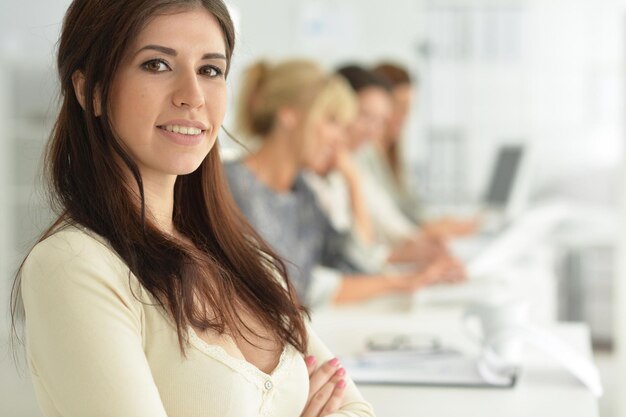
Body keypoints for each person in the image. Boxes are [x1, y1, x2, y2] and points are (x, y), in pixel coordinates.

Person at [10, 2, 376, 416]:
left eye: (210, 70)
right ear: (90, 89)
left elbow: (357, 408)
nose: (193, 96)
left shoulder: (247, 261)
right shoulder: (73, 266)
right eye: (156, 64)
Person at [225, 59, 462, 308]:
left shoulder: (302, 193)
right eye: (331, 120)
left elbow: (355, 262)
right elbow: (284, 291)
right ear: (289, 115)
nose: (340, 137)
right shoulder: (229, 187)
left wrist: (411, 280)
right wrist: (401, 281)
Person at [373, 62, 478, 238]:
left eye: (408, 108)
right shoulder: (365, 154)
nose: (404, 116)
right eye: (398, 106)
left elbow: (410, 206)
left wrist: (436, 223)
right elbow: (385, 218)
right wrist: (425, 232)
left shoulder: (393, 152)